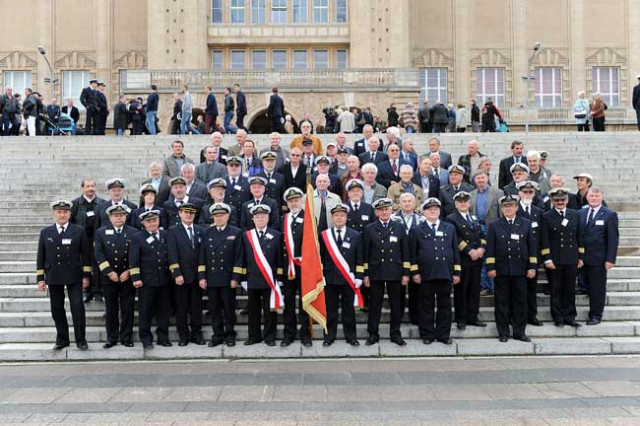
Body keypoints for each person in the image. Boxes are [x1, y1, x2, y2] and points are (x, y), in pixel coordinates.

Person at [37, 200, 91, 351]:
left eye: (65, 212)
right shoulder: (45, 232)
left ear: (70, 213)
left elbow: (86, 256)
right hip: (54, 275)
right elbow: (41, 256)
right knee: (56, 308)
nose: (62, 215)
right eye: (59, 212)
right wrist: (40, 278)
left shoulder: (79, 230)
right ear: (53, 214)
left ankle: (81, 339)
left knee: (77, 307)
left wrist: (86, 275)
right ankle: (62, 339)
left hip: (74, 275)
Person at [486, 194, 537, 342]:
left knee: (520, 303)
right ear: (502, 209)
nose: (508, 208)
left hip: (520, 270)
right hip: (501, 270)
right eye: (505, 206)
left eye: (511, 206)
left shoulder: (526, 223)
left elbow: (531, 247)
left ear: (516, 207)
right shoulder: (495, 225)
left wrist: (532, 267)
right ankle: (503, 333)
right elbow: (490, 249)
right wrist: (491, 267)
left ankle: (519, 332)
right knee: (501, 303)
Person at [410, 198, 461, 345]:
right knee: (426, 306)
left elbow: (455, 251)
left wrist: (457, 272)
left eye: (436, 209)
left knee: (445, 306)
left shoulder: (449, 228)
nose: (433, 211)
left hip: (445, 273)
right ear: (424, 212)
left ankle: (443, 335)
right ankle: (427, 334)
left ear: (439, 211)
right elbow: (413, 253)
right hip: (426, 274)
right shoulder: (417, 230)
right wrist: (415, 272)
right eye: (430, 209)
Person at [363, 198, 411, 346]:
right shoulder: (369, 228)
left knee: (396, 305)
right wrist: (365, 274)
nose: (384, 212)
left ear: (391, 210)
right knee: (374, 305)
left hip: (395, 271)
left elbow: (405, 252)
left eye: (386, 209)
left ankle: (395, 334)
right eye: (381, 210)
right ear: (376, 212)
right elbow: (365, 253)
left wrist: (406, 273)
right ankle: (373, 334)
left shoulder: (399, 227)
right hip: (375, 271)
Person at [237, 204, 284, 346]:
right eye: (257, 217)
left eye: (263, 217)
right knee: (253, 311)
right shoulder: (246, 236)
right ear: (253, 219)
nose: (260, 219)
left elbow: (279, 259)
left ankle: (270, 337)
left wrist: (279, 278)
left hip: (270, 279)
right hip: (252, 278)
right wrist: (243, 278)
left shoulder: (276, 235)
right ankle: (254, 336)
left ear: (268, 218)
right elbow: (242, 258)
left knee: (270, 310)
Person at [94, 205, 138, 348]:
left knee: (127, 308)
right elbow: (99, 254)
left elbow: (136, 255)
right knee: (111, 309)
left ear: (125, 217)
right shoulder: (100, 233)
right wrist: (109, 272)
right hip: (109, 277)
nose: (119, 218)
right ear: (110, 217)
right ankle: (111, 338)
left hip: (127, 277)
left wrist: (130, 271)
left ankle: (126, 337)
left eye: (122, 215)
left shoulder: (134, 232)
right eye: (116, 215)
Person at [198, 203, 242, 347]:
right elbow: (202, 256)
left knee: (229, 309)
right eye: (216, 216)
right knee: (215, 308)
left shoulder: (235, 232)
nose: (219, 218)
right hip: (212, 277)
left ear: (227, 216)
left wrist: (236, 277)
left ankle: (230, 334)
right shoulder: (207, 232)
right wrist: (202, 277)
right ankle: (217, 335)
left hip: (228, 278)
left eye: (222, 215)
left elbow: (238, 257)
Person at [320, 203, 364, 346]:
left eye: (342, 215)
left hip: (348, 279)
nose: (339, 218)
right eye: (336, 215)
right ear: (332, 218)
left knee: (348, 311)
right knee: (330, 311)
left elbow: (359, 258)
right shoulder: (324, 236)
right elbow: (321, 258)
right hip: (330, 279)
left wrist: (359, 276)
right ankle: (328, 337)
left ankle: (351, 337)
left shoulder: (355, 235)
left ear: (346, 217)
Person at [541, 188, 584, 328]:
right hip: (555, 259)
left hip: (571, 258)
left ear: (567, 200)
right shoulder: (546, 216)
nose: (560, 202)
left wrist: (581, 256)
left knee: (570, 289)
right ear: (552, 202)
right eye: (556, 200)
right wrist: (547, 258)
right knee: (556, 289)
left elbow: (580, 236)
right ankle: (558, 317)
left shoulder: (575, 214)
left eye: (562, 200)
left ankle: (570, 317)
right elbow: (544, 239)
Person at [130, 210, 172, 349]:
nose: (152, 223)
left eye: (154, 220)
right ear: (143, 223)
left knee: (163, 310)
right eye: (149, 221)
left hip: (164, 280)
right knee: (145, 311)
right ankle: (146, 339)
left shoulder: (166, 235)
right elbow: (134, 260)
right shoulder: (137, 237)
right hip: (147, 281)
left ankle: (163, 338)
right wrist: (136, 278)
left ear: (158, 221)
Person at [167, 203, 206, 346]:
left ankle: (197, 334)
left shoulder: (201, 230)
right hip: (181, 277)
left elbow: (203, 254)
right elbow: (172, 254)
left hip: (197, 277)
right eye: (186, 212)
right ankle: (183, 336)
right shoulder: (173, 231)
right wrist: (176, 273)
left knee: (197, 308)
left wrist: (202, 275)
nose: (189, 215)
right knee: (181, 308)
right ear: (180, 214)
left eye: (192, 213)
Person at [579, 187, 619, 325]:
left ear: (601, 197)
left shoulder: (609, 214)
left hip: (599, 259)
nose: (594, 198)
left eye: (596, 195)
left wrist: (610, 259)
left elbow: (613, 239)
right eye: (591, 195)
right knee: (583, 286)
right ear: (587, 197)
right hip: (581, 259)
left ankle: (596, 315)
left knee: (597, 289)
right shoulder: (580, 213)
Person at [446, 191, 486, 330]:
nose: (463, 204)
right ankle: (461, 318)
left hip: (476, 260)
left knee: (475, 289)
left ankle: (473, 316)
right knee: (462, 290)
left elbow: (482, 234)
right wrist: (470, 251)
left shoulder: (475, 217)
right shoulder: (451, 218)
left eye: (465, 201)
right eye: (460, 201)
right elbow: (455, 238)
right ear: (456, 204)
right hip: (462, 259)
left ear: (469, 203)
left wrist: (481, 248)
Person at [280, 188, 311, 347]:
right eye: (291, 201)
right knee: (289, 304)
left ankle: (305, 335)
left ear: (302, 201)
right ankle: (289, 334)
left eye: (296, 200)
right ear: (287, 203)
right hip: (287, 270)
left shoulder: (309, 218)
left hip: (303, 269)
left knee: (305, 304)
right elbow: (279, 247)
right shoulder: (282, 220)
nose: (294, 203)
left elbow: (314, 245)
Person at [391, 193, 425, 324]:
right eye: (404, 201)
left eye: (409, 201)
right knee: (399, 291)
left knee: (416, 290)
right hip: (399, 259)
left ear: (414, 203)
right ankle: (397, 317)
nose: (406, 203)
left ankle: (415, 317)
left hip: (417, 259)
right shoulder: (393, 218)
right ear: (399, 203)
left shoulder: (422, 219)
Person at [70, 179, 105, 303]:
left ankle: (98, 291)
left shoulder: (102, 203)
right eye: (87, 186)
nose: (90, 188)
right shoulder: (75, 204)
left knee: (97, 265)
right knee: (84, 265)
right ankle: (86, 290)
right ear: (82, 188)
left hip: (97, 240)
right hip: (81, 240)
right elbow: (71, 223)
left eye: (92, 186)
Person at [469, 170, 502, 297]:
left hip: (493, 229)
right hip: (478, 229)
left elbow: (501, 213)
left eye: (482, 177)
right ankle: (485, 286)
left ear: (487, 178)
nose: (480, 180)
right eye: (478, 178)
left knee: (493, 257)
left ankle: (494, 286)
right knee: (481, 258)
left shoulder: (497, 193)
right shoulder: (471, 194)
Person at [516, 181, 544, 326]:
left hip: (533, 257)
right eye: (525, 192)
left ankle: (532, 316)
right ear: (519, 193)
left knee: (532, 289)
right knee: (518, 290)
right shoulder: (514, 210)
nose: (527, 194)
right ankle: (517, 316)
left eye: (530, 192)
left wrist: (543, 256)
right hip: (517, 256)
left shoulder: (538, 212)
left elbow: (543, 237)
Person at [224, 157, 251, 225]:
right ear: (227, 167)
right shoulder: (222, 181)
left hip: (242, 217)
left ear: (241, 167)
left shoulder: (248, 181)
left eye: (236, 165)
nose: (234, 167)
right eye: (231, 165)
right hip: (226, 216)